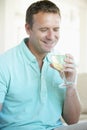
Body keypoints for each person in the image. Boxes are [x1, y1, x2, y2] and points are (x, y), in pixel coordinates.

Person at [0, 0, 87, 130]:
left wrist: (70, 85)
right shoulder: (5, 63)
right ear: (28, 29)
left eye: (56, 29)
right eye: (44, 29)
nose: (51, 36)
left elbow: (72, 121)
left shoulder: (62, 62)